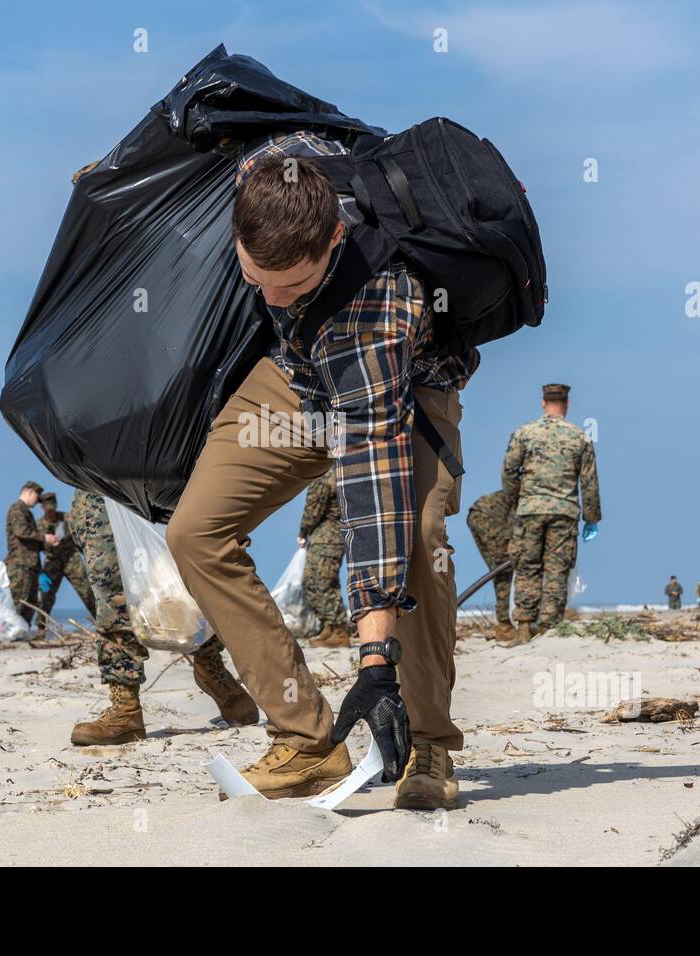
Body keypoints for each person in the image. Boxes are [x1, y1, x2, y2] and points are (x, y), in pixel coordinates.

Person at [165, 131, 473, 810]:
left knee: (418, 535)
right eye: (256, 276)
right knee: (196, 531)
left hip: (401, 389)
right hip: (298, 379)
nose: (273, 297)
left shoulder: (374, 308)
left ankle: (427, 740)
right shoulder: (261, 168)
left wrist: (374, 663)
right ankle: (309, 740)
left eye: (294, 282)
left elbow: (374, 490)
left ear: (334, 237)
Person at [66, 490, 258, 745]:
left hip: (162, 481)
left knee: (183, 586)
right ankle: (125, 709)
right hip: (100, 489)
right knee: (114, 597)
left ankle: (210, 668)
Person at [501, 384, 602, 642]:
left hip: (529, 510)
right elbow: (589, 482)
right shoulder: (580, 436)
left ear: (543, 403)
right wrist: (591, 518)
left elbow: (509, 471)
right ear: (567, 404)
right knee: (557, 569)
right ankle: (548, 627)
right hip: (564, 511)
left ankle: (524, 625)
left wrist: (517, 499)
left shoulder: (525, 433)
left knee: (527, 566)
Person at [298, 471, 354, 648]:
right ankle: (328, 626)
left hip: (328, 537)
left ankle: (339, 631)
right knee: (312, 582)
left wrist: (303, 530)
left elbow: (314, 506)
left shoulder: (326, 473)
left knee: (322, 582)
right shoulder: (334, 470)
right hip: (324, 537)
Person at [36, 491, 97, 637]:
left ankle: (104, 626)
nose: (51, 512)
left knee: (88, 593)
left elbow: (80, 537)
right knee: (45, 596)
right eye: (48, 509)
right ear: (43, 508)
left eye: (53, 509)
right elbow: (35, 546)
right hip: (52, 562)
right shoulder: (39, 525)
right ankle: (40, 630)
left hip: (72, 559)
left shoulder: (67, 519)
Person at [5, 481, 57, 627]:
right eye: (37, 496)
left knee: (31, 602)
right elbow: (21, 532)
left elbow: (31, 540)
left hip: (30, 564)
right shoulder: (17, 509)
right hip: (20, 564)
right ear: (29, 492)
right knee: (21, 601)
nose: (37, 501)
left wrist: (47, 542)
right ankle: (14, 632)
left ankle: (22, 630)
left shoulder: (26, 511)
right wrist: (44, 537)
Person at [467, 490, 515, 635]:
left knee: (501, 567)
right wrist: (509, 540)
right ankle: (506, 626)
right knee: (504, 569)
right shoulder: (536, 499)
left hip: (481, 514)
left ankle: (508, 622)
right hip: (487, 516)